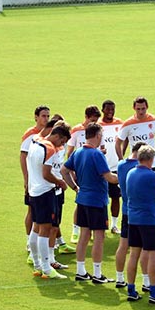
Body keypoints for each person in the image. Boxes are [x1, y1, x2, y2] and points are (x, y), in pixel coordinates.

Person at [61, 123, 119, 284]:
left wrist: (75, 187)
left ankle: (81, 271)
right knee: (99, 236)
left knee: (84, 235)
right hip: (97, 201)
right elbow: (109, 177)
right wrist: (126, 176)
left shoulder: (78, 152)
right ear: (98, 135)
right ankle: (97, 274)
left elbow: (64, 171)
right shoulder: (97, 155)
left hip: (82, 199)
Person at [115, 97, 155, 241]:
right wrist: (121, 160)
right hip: (136, 166)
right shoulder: (128, 124)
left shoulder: (154, 120)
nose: (141, 111)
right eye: (138, 109)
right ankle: (140, 227)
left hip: (152, 164)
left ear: (147, 107)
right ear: (134, 108)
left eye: (143, 108)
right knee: (137, 196)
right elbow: (118, 143)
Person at [124, 145, 155, 304]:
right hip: (149, 219)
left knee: (133, 255)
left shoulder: (131, 173)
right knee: (154, 255)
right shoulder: (153, 176)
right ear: (151, 159)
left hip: (133, 219)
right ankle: (153, 292)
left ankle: (131, 289)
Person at [26, 121, 71, 280]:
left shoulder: (35, 141)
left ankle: (38, 264)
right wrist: (60, 182)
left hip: (34, 190)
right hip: (45, 192)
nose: (62, 145)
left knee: (36, 228)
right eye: (62, 141)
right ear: (58, 136)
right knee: (45, 230)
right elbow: (46, 173)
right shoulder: (50, 149)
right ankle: (46, 268)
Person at [66, 105, 102, 243]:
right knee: (80, 202)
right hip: (80, 171)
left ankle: (91, 229)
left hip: (94, 172)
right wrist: (73, 171)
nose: (95, 123)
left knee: (93, 202)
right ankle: (76, 231)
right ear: (86, 117)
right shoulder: (76, 131)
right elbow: (70, 153)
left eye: (97, 120)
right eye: (92, 119)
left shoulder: (97, 130)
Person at [113, 141, 144, 288]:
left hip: (126, 210)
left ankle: (119, 278)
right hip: (141, 212)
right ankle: (147, 282)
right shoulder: (139, 167)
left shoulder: (120, 165)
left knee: (123, 245)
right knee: (144, 249)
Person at [20, 105, 50, 252]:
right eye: (43, 116)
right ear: (36, 117)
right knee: (32, 211)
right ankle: (28, 240)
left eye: (47, 116)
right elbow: (23, 156)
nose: (46, 119)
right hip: (33, 179)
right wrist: (26, 178)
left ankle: (42, 241)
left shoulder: (48, 133)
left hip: (43, 179)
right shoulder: (31, 134)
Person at [99, 100, 124, 235]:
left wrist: (122, 156)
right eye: (108, 109)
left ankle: (114, 225)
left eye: (112, 109)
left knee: (116, 197)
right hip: (101, 168)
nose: (110, 112)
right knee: (102, 198)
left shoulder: (120, 123)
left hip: (115, 167)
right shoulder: (97, 125)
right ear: (102, 110)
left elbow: (124, 139)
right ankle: (101, 224)